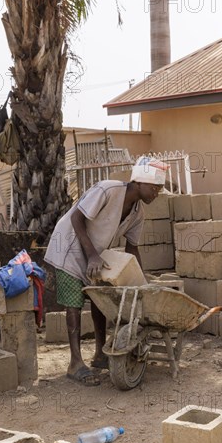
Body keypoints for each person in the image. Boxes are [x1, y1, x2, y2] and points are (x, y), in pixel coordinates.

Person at [44, 156, 168, 386]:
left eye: (159, 189)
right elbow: (76, 218)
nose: (156, 193)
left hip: (94, 253)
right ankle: (75, 363)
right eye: (154, 187)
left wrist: (141, 283)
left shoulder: (138, 213)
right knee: (74, 301)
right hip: (69, 245)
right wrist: (91, 254)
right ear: (139, 182)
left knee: (101, 298)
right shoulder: (107, 190)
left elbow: (132, 249)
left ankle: (100, 354)